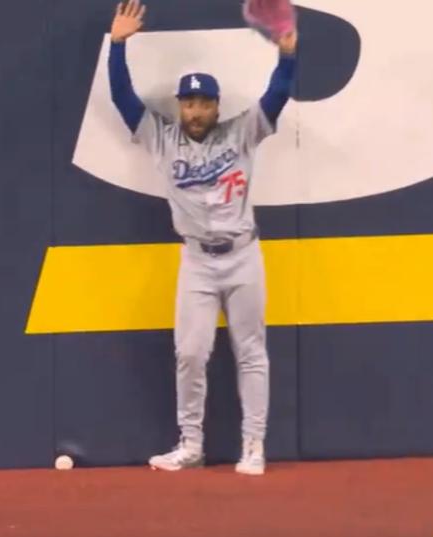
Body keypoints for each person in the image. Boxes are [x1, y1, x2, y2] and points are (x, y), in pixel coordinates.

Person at [106, 0, 297, 476]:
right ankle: (191, 444)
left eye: (204, 102)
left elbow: (277, 95)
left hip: (243, 255)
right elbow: (123, 98)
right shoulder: (162, 137)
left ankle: (253, 445)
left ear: (216, 106)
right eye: (188, 102)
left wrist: (288, 56)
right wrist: (117, 45)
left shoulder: (242, 132)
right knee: (190, 353)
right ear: (180, 106)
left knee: (251, 351)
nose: (195, 110)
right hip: (196, 260)